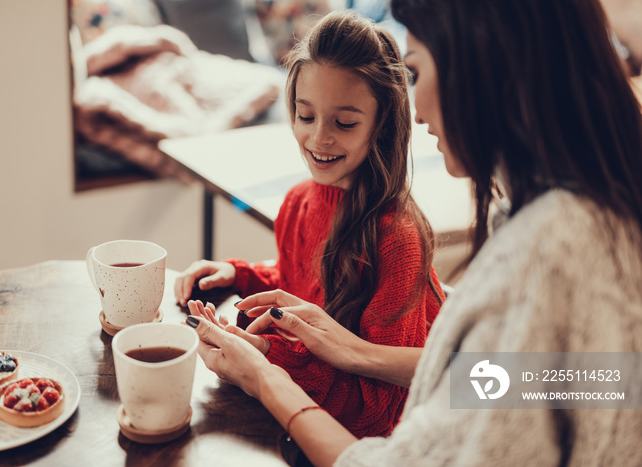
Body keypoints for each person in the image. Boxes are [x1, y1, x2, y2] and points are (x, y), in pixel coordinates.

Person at [185, 0, 642, 465]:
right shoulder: (592, 221)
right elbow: (567, 382)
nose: (416, 112)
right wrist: (355, 353)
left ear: (483, 71)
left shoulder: (545, 254)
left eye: (418, 72)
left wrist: (266, 377)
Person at [177, 10, 445, 438]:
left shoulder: (397, 238)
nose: (319, 138)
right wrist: (240, 275)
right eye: (306, 116)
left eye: (344, 123)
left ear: (382, 123)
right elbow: (299, 283)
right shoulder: (298, 202)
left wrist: (269, 359)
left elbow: (379, 413)